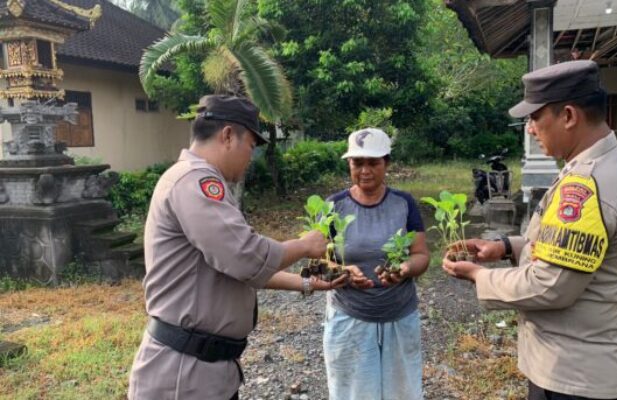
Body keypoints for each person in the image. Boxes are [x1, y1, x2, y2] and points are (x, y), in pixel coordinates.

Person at [442, 61, 617, 400]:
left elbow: (550, 285)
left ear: (568, 116)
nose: (530, 130)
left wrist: (479, 276)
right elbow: (559, 248)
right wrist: (505, 247)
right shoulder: (594, 166)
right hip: (578, 367)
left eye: (535, 118)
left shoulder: (588, 183)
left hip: (574, 376)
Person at [128, 95, 344, 400]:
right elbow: (246, 257)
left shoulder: (197, 181)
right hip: (183, 376)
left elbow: (235, 269)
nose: (250, 158)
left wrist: (306, 282)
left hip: (204, 369)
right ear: (228, 135)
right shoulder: (195, 182)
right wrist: (305, 245)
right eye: (251, 147)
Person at [322, 128, 430, 400]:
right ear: (349, 164)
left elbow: (421, 254)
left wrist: (405, 268)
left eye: (373, 162)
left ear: (387, 163)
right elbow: (320, 259)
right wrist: (342, 271)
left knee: (402, 393)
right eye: (357, 163)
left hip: (400, 315)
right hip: (349, 317)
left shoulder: (403, 203)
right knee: (354, 393)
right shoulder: (333, 206)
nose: (365, 170)